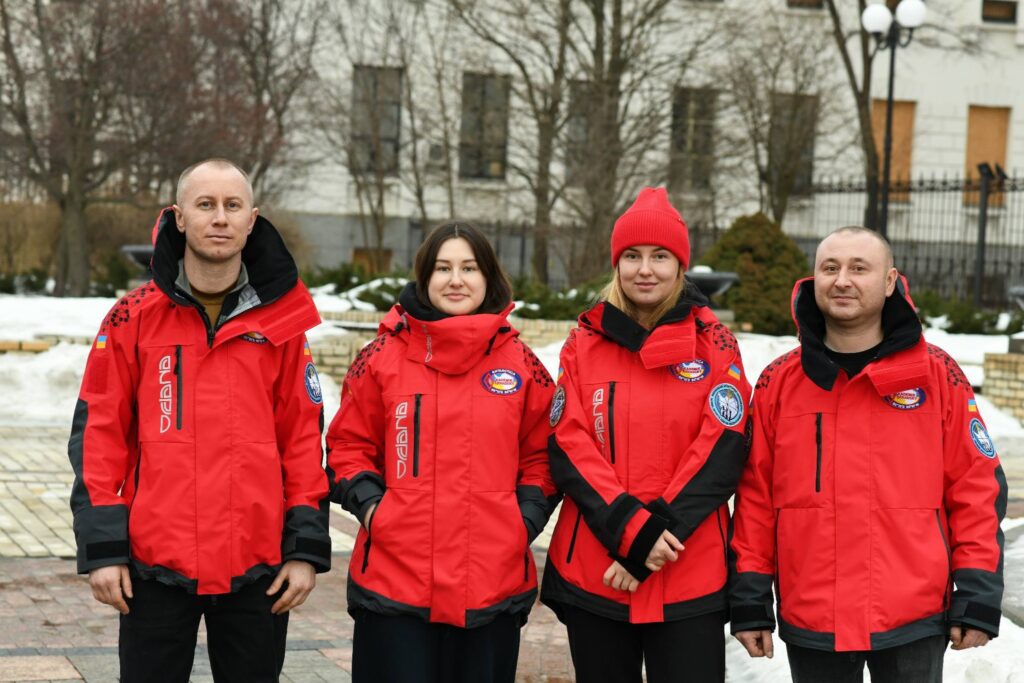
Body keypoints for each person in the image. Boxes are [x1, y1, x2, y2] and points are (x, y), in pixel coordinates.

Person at [68, 158, 332, 682]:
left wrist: (304, 550)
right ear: (179, 217)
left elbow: (303, 441)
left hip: (259, 567)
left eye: (233, 206)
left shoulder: (282, 322)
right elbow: (99, 436)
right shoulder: (131, 317)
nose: (220, 218)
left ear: (252, 220)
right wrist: (103, 550)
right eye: (205, 204)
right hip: (153, 568)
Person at [730, 226, 1008, 682]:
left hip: (912, 617)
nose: (842, 280)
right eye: (830, 268)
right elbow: (755, 499)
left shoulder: (938, 376)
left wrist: (977, 593)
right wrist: (750, 598)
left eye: (859, 268)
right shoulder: (778, 382)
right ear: (814, 278)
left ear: (890, 281)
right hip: (813, 614)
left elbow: (976, 487)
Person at [327, 221, 559, 683]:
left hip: (491, 586)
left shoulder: (522, 364)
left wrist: (522, 523)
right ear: (424, 277)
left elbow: (544, 456)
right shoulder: (381, 356)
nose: (456, 280)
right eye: (442, 268)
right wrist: (374, 511)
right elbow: (348, 446)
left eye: (469, 268)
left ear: (488, 277)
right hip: (394, 586)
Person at [540, 187, 752, 683]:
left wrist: (652, 537)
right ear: (617, 264)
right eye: (632, 256)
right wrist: (630, 531)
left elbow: (722, 449)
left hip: (689, 573)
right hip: (596, 570)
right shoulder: (583, 343)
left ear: (680, 265)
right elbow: (568, 444)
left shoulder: (716, 344)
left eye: (660, 256)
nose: (645, 269)